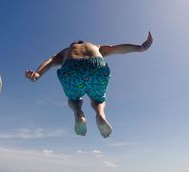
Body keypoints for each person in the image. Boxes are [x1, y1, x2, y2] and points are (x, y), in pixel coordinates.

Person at [25, 32, 153, 138]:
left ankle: (78, 114)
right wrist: (140, 47)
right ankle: (100, 115)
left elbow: (51, 60)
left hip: (71, 68)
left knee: (73, 99)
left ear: (74, 45)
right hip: (96, 66)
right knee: (97, 100)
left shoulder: (66, 51)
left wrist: (37, 73)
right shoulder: (95, 46)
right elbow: (115, 48)